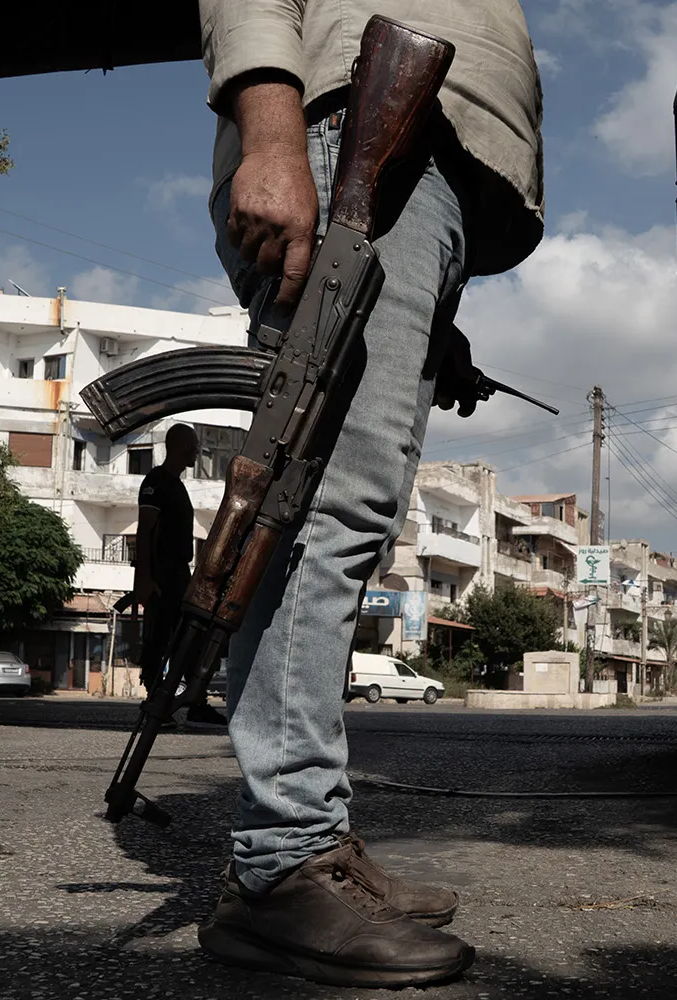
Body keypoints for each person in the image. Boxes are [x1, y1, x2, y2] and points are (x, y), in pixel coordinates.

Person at [193, 0, 545, 988]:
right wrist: (272, 137)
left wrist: (439, 310)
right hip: (346, 138)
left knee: (351, 512)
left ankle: (313, 842)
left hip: (411, 173)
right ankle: (282, 864)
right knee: (317, 511)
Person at [132, 423, 227, 729]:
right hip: (162, 574)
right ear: (177, 446)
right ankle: (155, 704)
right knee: (160, 640)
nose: (196, 450)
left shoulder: (177, 485)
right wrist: (144, 579)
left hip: (179, 574)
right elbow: (144, 532)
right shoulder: (156, 481)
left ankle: (196, 703)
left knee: (189, 639)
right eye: (192, 445)